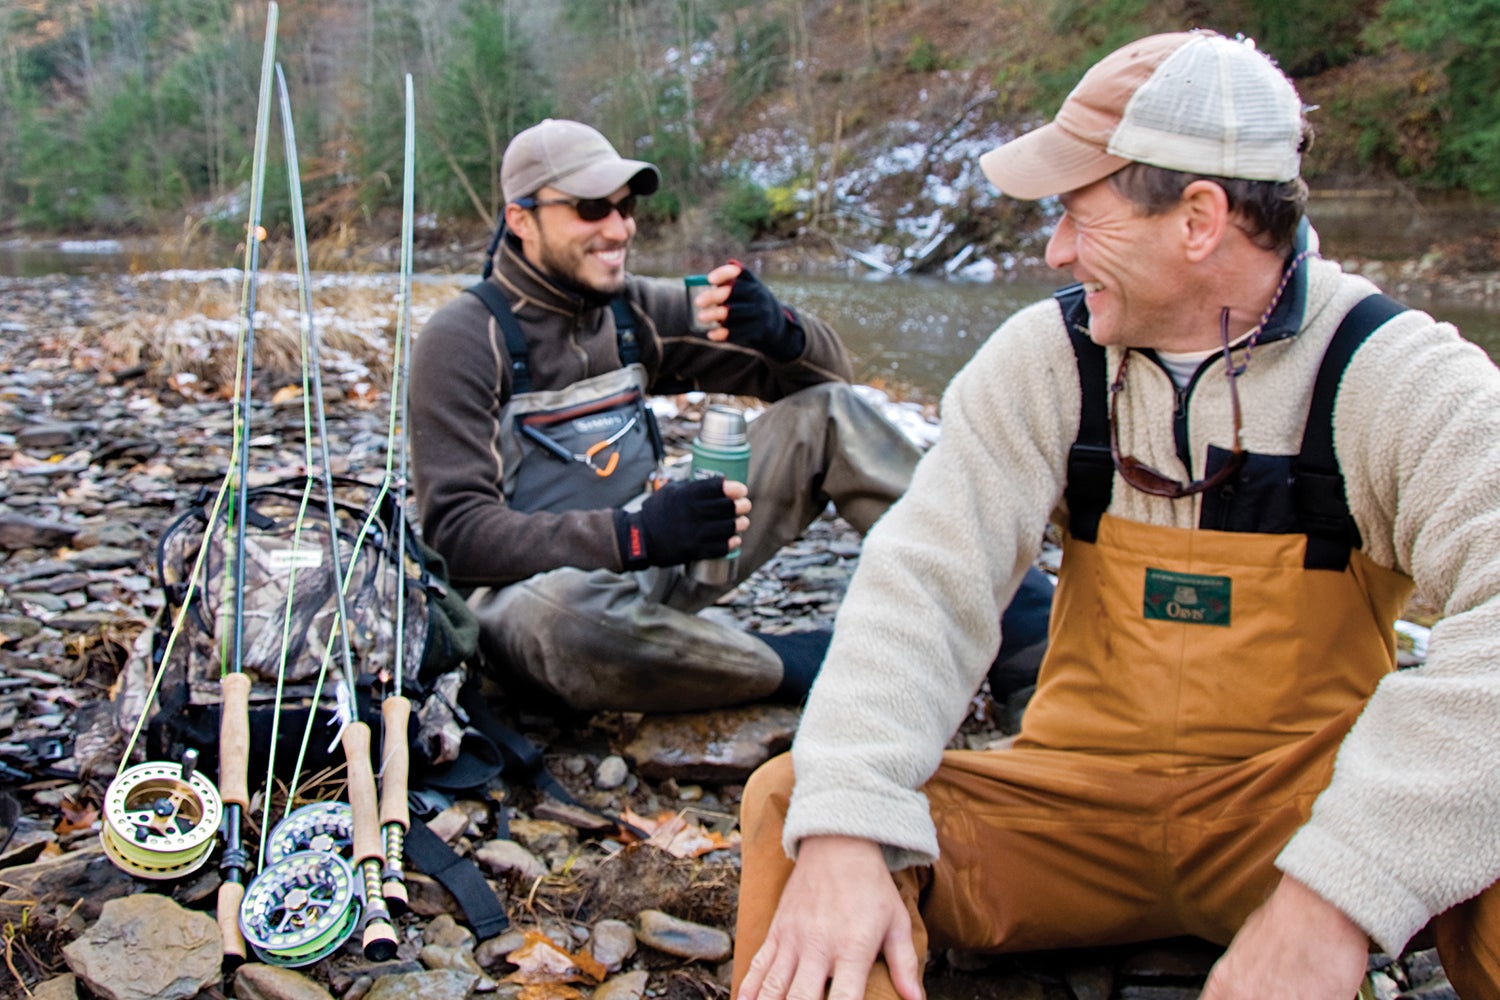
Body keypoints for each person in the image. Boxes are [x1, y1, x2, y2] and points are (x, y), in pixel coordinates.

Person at [732, 30, 1500, 1000]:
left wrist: (1340, 893)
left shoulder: (1400, 379)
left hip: (1302, 819)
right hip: (1076, 814)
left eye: (1076, 215)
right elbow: (923, 584)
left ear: (1198, 219)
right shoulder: (1044, 361)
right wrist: (847, 823)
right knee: (805, 806)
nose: (1054, 249)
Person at [410, 119, 1054, 714]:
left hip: (656, 560)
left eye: (626, 207)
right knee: (558, 620)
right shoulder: (463, 340)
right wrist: (634, 534)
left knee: (827, 417)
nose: (619, 228)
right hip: (532, 605)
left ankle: (1023, 633)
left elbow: (831, 390)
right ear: (521, 220)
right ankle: (811, 665)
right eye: (589, 209)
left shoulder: (636, 312)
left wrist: (781, 331)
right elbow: (457, 536)